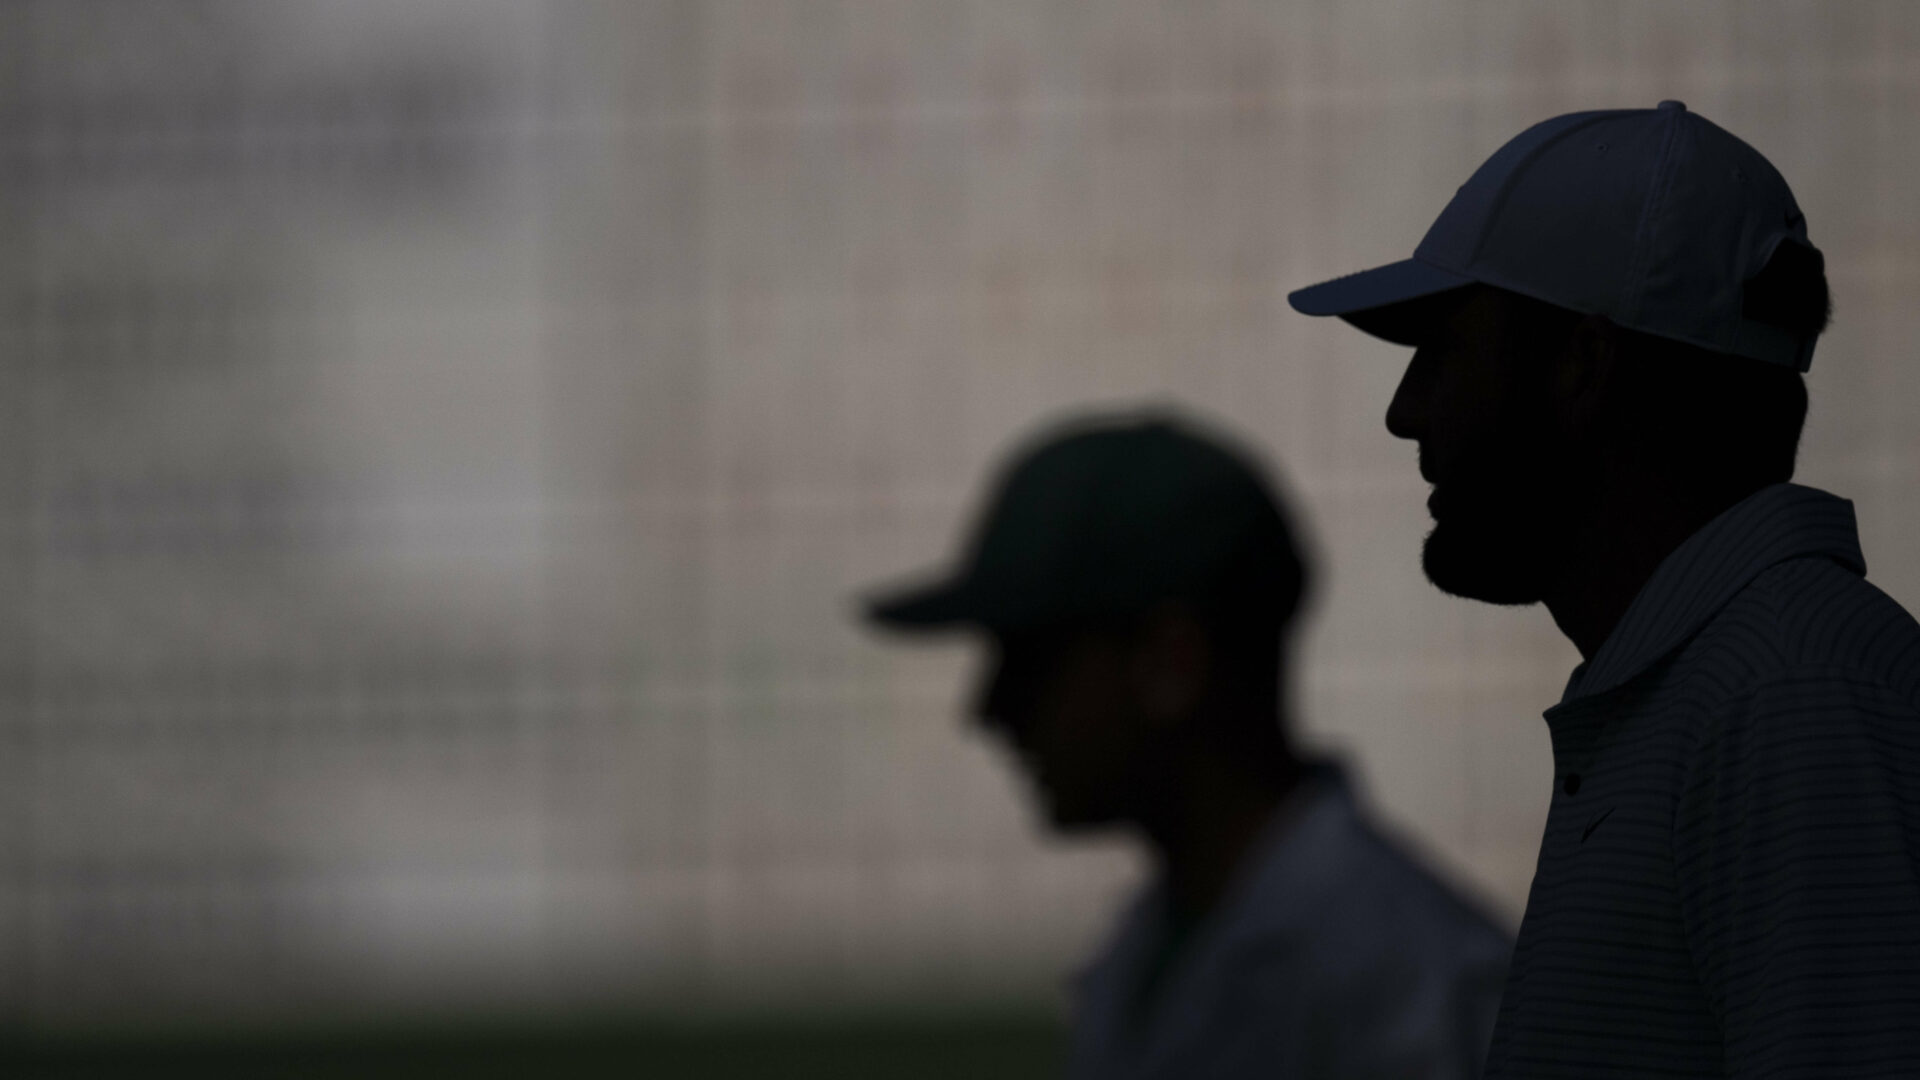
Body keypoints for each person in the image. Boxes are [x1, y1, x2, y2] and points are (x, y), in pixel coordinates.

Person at [1289, 101, 1920, 1077]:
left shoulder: (1789, 698)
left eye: (1444, 345)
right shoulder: (1725, 689)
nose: (1404, 411)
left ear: (1584, 362)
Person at [861, 413, 1511, 1080]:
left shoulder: (1416, 992)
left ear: (1172, 663)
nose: (988, 711)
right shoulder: (1149, 953)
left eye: (1031, 664)